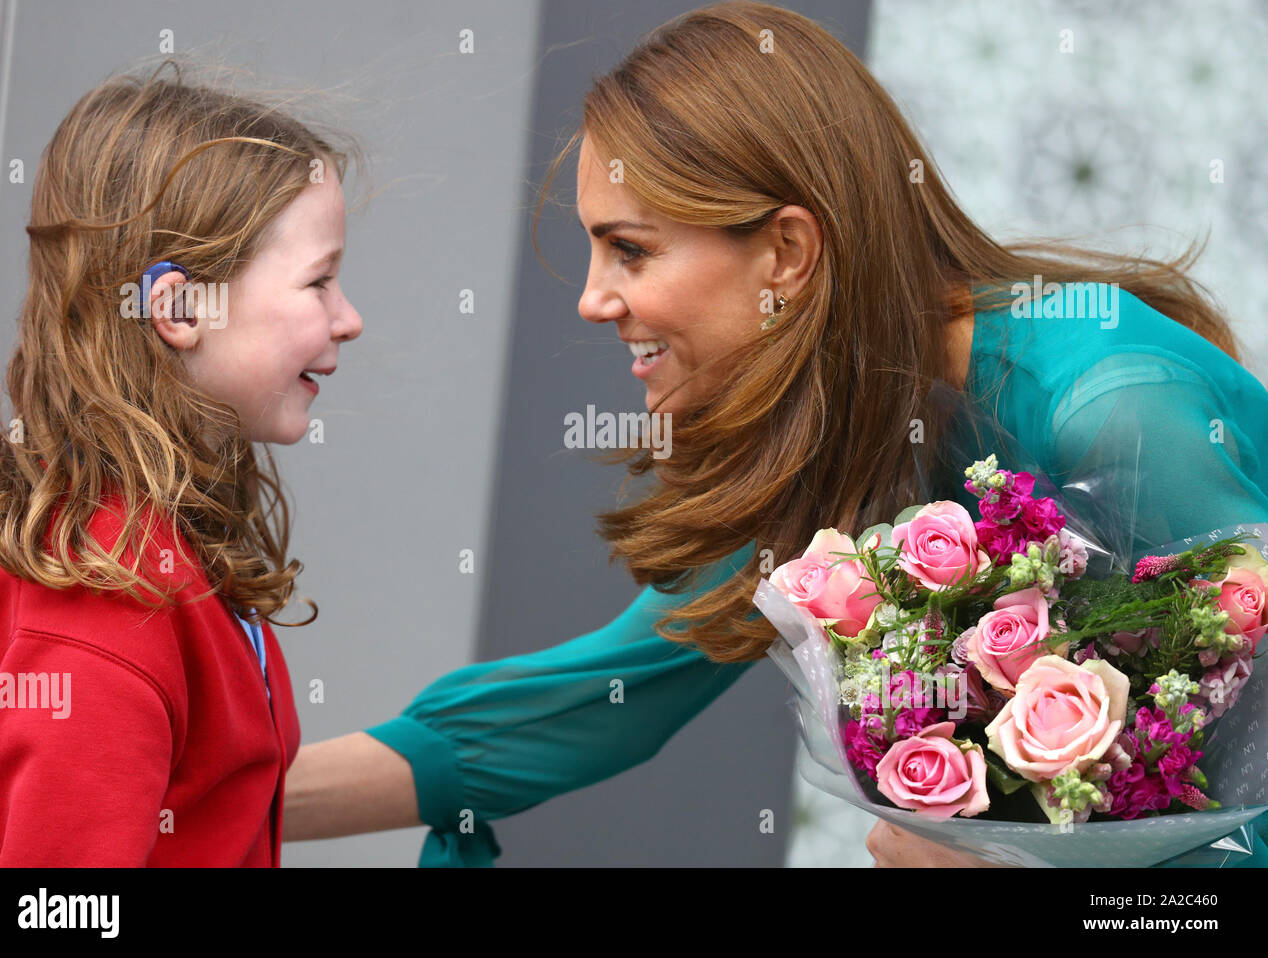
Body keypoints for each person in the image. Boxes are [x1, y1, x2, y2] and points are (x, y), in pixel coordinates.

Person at [283, 0, 1268, 867]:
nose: (590, 300)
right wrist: (193, 799)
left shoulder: (1111, 410)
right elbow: (599, 700)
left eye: (629, 249)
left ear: (787, 252)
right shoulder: (852, 423)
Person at [0, 62, 363, 865]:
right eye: (319, 282)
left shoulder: (162, 556)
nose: (348, 319)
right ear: (180, 309)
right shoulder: (104, 604)